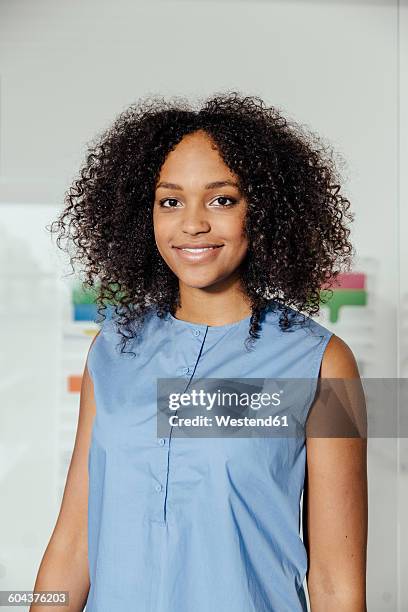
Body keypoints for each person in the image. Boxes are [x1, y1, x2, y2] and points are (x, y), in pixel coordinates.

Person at [32, 92, 367, 611]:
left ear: (265, 211)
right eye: (170, 201)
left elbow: (336, 583)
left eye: (222, 199)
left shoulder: (324, 363)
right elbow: (74, 543)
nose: (192, 224)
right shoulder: (112, 350)